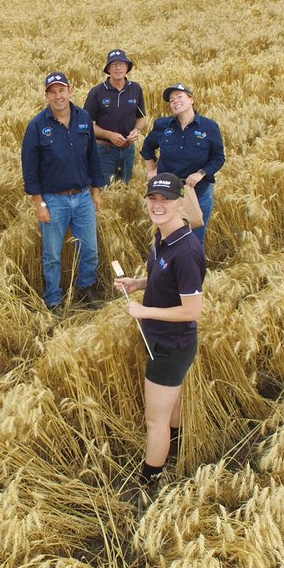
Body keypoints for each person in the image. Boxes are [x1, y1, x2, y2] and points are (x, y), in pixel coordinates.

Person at [114, 173, 206, 505]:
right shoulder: (163, 236)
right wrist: (137, 284)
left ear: (181, 204)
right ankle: (175, 449)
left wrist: (144, 311)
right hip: (161, 339)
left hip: (172, 346)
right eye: (153, 198)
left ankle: (147, 485)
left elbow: (192, 311)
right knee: (171, 405)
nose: (157, 205)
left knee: (155, 420)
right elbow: (160, 276)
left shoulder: (187, 251)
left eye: (166, 199)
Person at [22, 71, 107, 311]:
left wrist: (96, 192)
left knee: (90, 249)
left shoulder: (84, 118)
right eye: (53, 92)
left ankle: (86, 287)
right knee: (52, 255)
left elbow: (93, 157)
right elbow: (30, 168)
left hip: (82, 197)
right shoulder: (37, 125)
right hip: (53, 200)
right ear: (47, 96)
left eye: (62, 90)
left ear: (70, 91)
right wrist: (39, 203)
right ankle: (53, 299)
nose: (58, 96)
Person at [140, 83, 224, 245]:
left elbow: (218, 158)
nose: (175, 101)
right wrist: (152, 172)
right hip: (168, 195)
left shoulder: (209, 127)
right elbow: (147, 149)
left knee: (195, 240)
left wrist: (200, 173)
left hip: (198, 193)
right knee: (167, 239)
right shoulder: (162, 125)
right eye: (171, 100)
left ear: (191, 99)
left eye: (180, 97)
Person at [84, 49, 146, 185]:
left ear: (127, 67)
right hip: (103, 151)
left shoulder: (136, 89)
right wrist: (110, 135)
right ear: (108, 69)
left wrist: (136, 130)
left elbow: (141, 117)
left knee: (125, 190)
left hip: (128, 150)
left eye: (121, 64)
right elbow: (86, 125)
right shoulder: (96, 92)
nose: (118, 68)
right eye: (114, 64)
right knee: (103, 191)